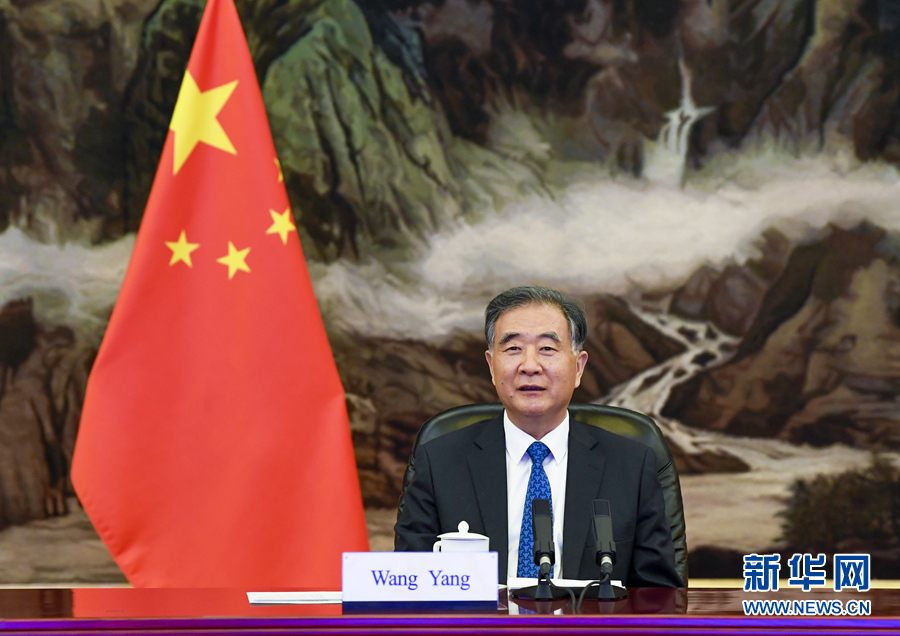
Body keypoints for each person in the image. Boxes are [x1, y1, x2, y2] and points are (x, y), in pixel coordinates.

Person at [394, 285, 683, 587]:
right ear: (491, 366)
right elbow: (409, 584)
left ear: (578, 367)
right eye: (513, 349)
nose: (530, 366)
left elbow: (658, 596)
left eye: (547, 348)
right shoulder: (440, 462)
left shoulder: (631, 466)